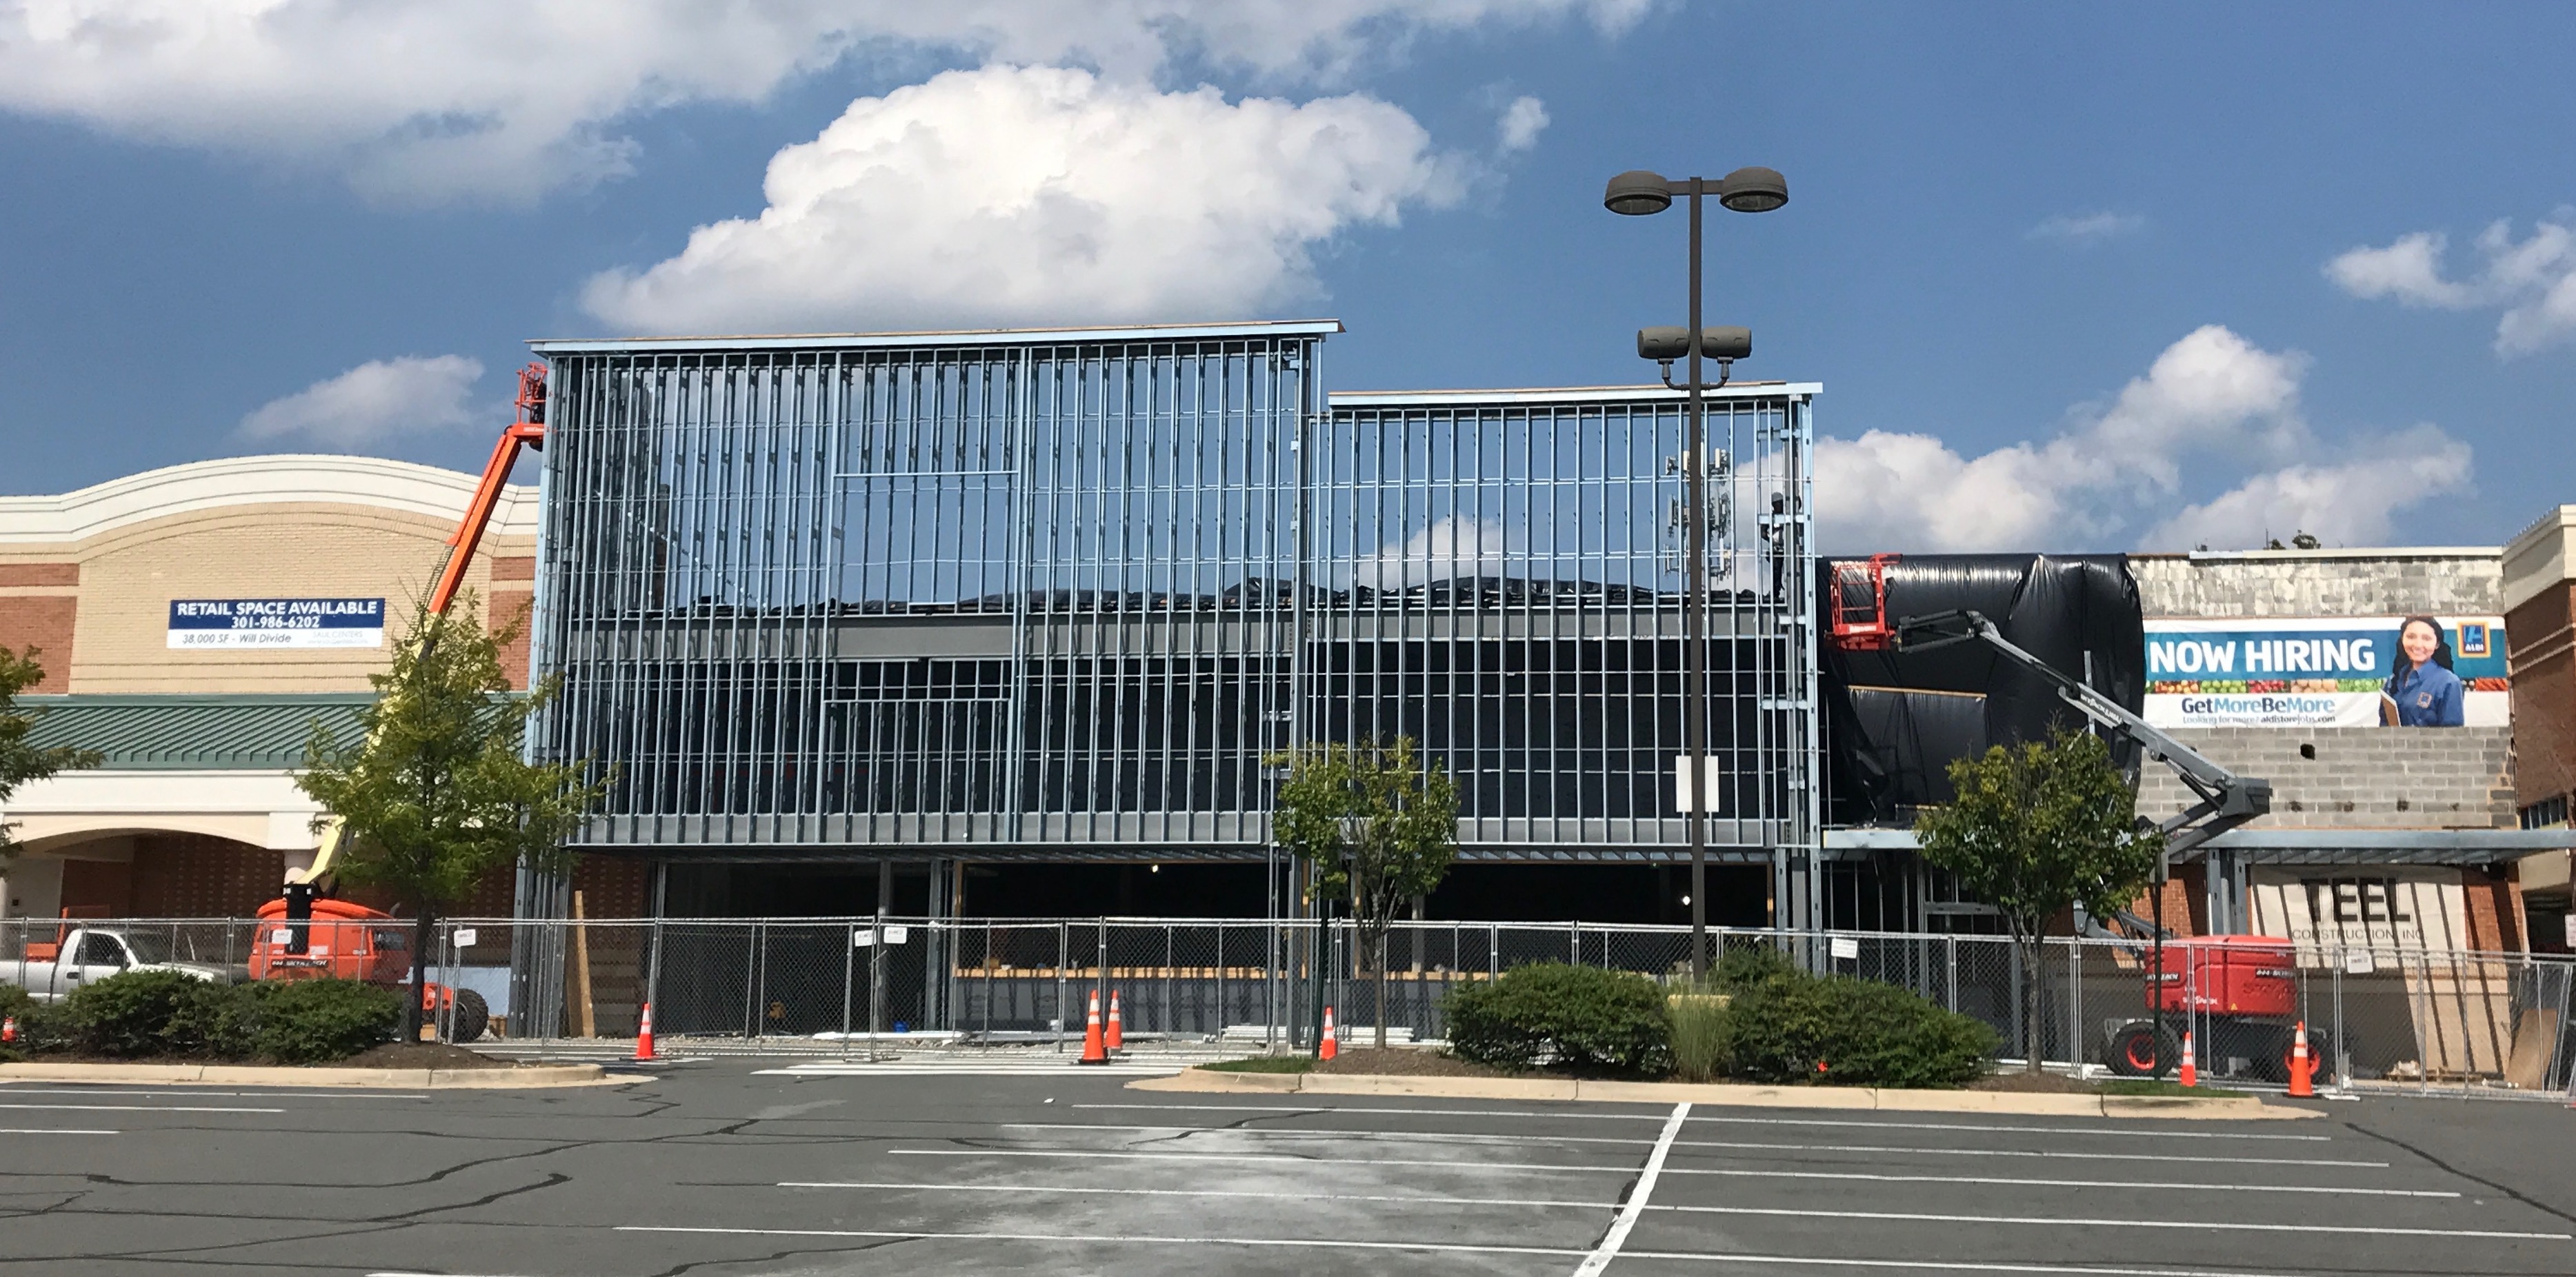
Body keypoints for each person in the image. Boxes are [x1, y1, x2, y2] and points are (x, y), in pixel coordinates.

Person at [2382, 614, 2464, 727]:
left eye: (2426, 638)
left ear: (2437, 644)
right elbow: (2384, 726)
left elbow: (2453, 734)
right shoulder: (2392, 681)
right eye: (2411, 637)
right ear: (2402, 639)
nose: (2418, 645)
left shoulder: (2449, 682)